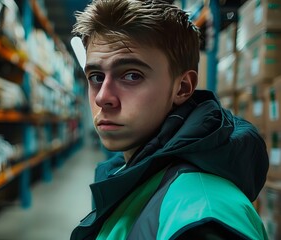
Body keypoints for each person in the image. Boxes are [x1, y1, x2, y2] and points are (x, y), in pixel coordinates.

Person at [70, 0, 269, 239]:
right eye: (96, 76)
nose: (103, 97)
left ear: (182, 87)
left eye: (132, 75)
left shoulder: (201, 218)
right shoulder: (129, 172)